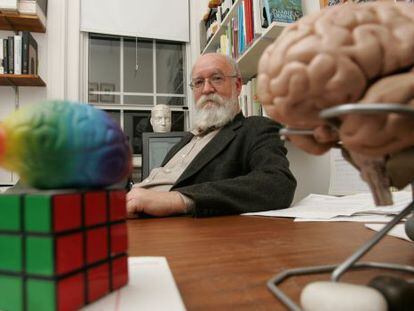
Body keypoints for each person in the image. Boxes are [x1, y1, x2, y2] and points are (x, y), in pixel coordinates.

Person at [126, 53, 296, 217]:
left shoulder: (255, 128)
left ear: (237, 86)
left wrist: (178, 200)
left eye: (216, 78)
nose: (207, 89)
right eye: (199, 82)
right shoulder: (186, 139)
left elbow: (278, 183)